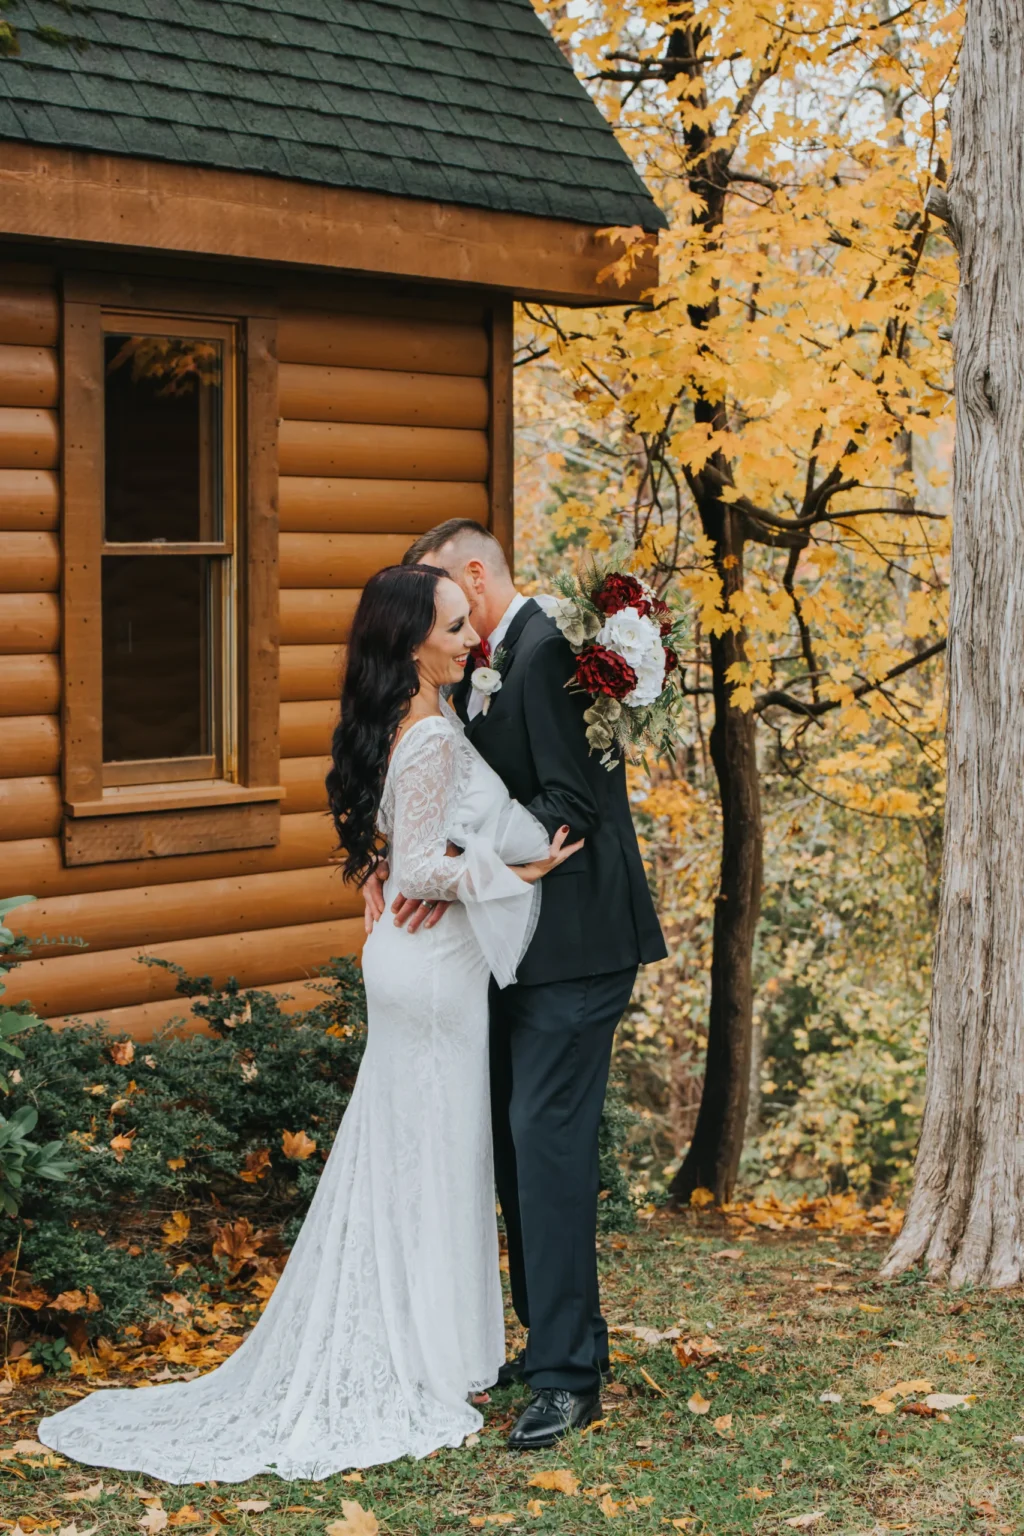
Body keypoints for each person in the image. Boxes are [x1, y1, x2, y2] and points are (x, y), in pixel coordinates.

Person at [37, 563, 579, 1484]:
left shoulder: (407, 725)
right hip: (431, 976)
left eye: (463, 623)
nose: (465, 638)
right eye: (451, 627)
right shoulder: (431, 739)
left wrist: (429, 856)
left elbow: (388, 844)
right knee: (433, 1153)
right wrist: (516, 873)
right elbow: (416, 870)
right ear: (412, 642)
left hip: (416, 970)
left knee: (413, 1151)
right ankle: (423, 1356)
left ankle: (431, 1347)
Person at [364, 520, 666, 1450]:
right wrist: (406, 863)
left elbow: (569, 809)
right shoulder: (488, 665)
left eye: (442, 601)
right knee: (513, 1141)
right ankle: (559, 1343)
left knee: (545, 1147)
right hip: (513, 950)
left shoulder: (541, 656)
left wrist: (456, 864)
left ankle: (567, 1377)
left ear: (473, 574)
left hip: (577, 946)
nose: (436, 623)